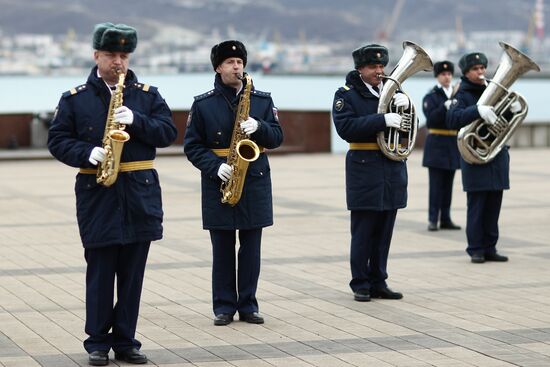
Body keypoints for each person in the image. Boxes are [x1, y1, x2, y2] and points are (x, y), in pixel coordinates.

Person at [48, 23, 177, 366]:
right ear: (96, 56)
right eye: (111, 55)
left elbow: (167, 132)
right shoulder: (75, 98)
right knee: (101, 269)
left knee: (133, 273)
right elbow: (57, 140)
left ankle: (126, 340)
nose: (118, 62)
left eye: (124, 55)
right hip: (97, 192)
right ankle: (97, 342)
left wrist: (136, 119)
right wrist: (85, 153)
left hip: (139, 192)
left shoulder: (147, 95)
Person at [183, 40, 283, 326]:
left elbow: (277, 138)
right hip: (220, 179)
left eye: (239, 62)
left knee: (252, 247)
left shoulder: (262, 100)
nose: (236, 66)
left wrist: (260, 127)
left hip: (255, 179)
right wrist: (216, 167)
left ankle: (249, 305)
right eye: (229, 62)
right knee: (223, 247)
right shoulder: (202, 104)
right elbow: (192, 146)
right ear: (218, 67)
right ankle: (224, 306)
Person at [332, 44, 407, 302]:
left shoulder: (393, 91)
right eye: (373, 66)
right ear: (360, 69)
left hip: (390, 167)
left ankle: (378, 280)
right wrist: (382, 119)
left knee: (385, 230)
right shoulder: (346, 95)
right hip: (364, 167)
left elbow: (407, 129)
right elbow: (346, 128)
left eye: (381, 66)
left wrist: (402, 107)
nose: (379, 70)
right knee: (364, 230)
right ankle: (360, 282)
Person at [446, 51, 519, 263]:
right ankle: (476, 248)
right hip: (475, 157)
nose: (481, 72)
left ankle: (490, 247)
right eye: (476, 69)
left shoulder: (493, 91)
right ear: (466, 73)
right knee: (477, 207)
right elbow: (452, 119)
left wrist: (511, 111)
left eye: (483, 68)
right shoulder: (462, 94)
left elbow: (500, 121)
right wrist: (477, 110)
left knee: (494, 206)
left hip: (496, 156)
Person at [422, 61, 462, 231]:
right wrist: (444, 107)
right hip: (437, 144)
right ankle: (433, 219)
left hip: (452, 144)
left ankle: (445, 218)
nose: (447, 77)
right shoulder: (431, 96)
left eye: (449, 74)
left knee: (448, 185)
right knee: (436, 186)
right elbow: (430, 120)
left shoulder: (458, 95)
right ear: (437, 76)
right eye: (443, 74)